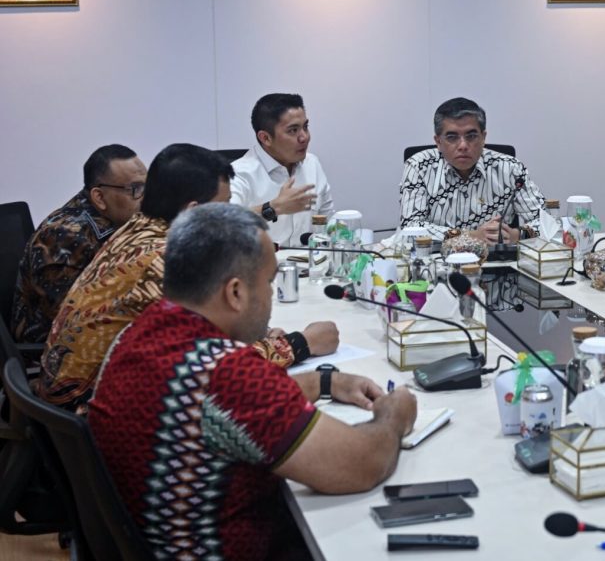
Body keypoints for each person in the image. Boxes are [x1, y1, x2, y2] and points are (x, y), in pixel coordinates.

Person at [89, 203, 417, 560]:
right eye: (269, 281)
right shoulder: (226, 375)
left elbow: (221, 410)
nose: (271, 296)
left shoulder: (136, 334)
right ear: (235, 293)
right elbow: (361, 464)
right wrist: (395, 415)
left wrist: (323, 383)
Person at [38, 143, 338, 412]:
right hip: (91, 414)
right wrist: (301, 344)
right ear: (193, 212)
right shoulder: (163, 262)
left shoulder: (141, 228)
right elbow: (215, 368)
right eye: (224, 206)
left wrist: (258, 335)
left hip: (77, 398)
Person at [9, 144, 146, 345]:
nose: (146, 197)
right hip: (54, 353)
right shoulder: (63, 237)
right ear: (99, 197)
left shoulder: (119, 221)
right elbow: (72, 321)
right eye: (136, 189)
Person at [399, 97, 545, 243]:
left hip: (495, 261)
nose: (463, 145)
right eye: (452, 137)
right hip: (436, 261)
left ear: (483, 137)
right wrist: (471, 236)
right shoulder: (419, 166)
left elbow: (547, 223)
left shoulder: (511, 169)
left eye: (471, 136)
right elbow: (410, 228)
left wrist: (517, 235)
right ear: (438, 142)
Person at [230, 93, 334, 246]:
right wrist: (273, 208)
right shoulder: (238, 174)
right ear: (265, 138)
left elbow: (328, 222)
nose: (304, 137)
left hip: (312, 266)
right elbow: (223, 226)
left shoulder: (312, 164)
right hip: (261, 267)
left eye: (305, 127)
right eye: (293, 130)